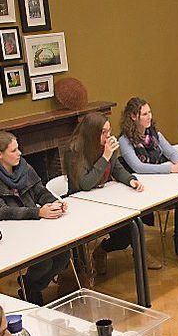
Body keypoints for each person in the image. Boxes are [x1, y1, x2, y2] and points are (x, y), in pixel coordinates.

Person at [0, 131, 70, 305]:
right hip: (10, 232)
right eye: (14, 150)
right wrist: (38, 212)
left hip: (33, 226)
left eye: (18, 148)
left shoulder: (23, 168)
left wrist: (55, 202)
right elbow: (1, 212)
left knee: (63, 254)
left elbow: (39, 191)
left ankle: (31, 285)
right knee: (44, 261)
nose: (19, 153)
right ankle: (31, 288)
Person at [65, 111, 160, 274]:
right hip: (83, 205)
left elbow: (117, 169)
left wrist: (131, 180)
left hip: (105, 199)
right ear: (92, 132)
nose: (108, 135)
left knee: (129, 227)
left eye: (108, 131)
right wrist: (105, 157)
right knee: (129, 230)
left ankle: (101, 251)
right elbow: (85, 184)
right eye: (103, 132)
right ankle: (140, 255)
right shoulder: (74, 151)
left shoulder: (106, 145)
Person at [118, 97, 178, 268]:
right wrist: (169, 169)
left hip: (165, 183)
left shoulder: (154, 134)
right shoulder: (125, 140)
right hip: (148, 188)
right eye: (144, 114)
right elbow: (138, 167)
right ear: (133, 117)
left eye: (149, 112)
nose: (149, 117)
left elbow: (172, 152)